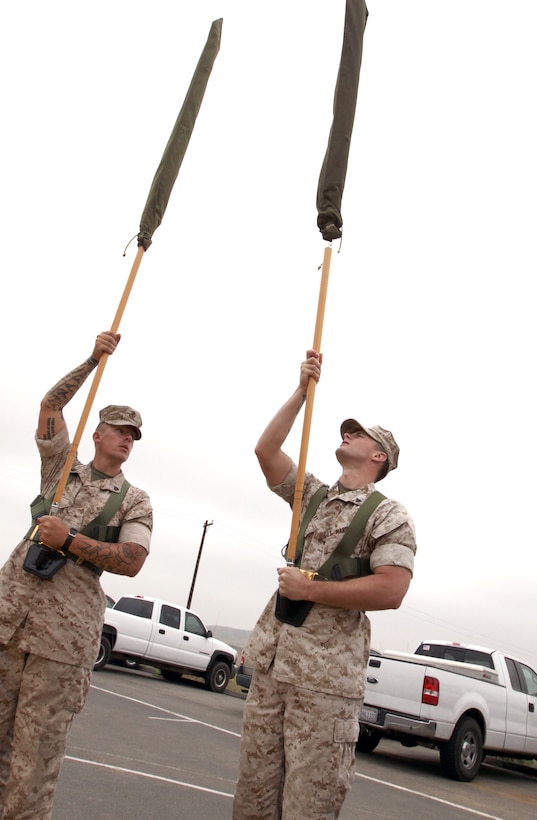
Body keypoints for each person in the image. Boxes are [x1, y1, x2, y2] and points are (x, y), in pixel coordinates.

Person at [233, 350, 417, 820]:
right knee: (253, 800)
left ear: (380, 456)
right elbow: (266, 452)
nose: (347, 433)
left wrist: (312, 590)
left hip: (326, 683)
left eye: (360, 434)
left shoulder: (388, 514)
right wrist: (300, 392)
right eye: (347, 430)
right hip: (275, 666)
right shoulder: (313, 496)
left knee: (308, 807)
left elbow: (391, 590)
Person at [0, 330, 153, 820]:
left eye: (134, 434)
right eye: (119, 429)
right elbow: (50, 404)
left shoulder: (134, 500)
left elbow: (132, 559)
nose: (127, 438)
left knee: (34, 763)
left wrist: (70, 541)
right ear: (98, 434)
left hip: (61, 644)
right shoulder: (60, 469)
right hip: (8, 624)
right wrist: (93, 359)